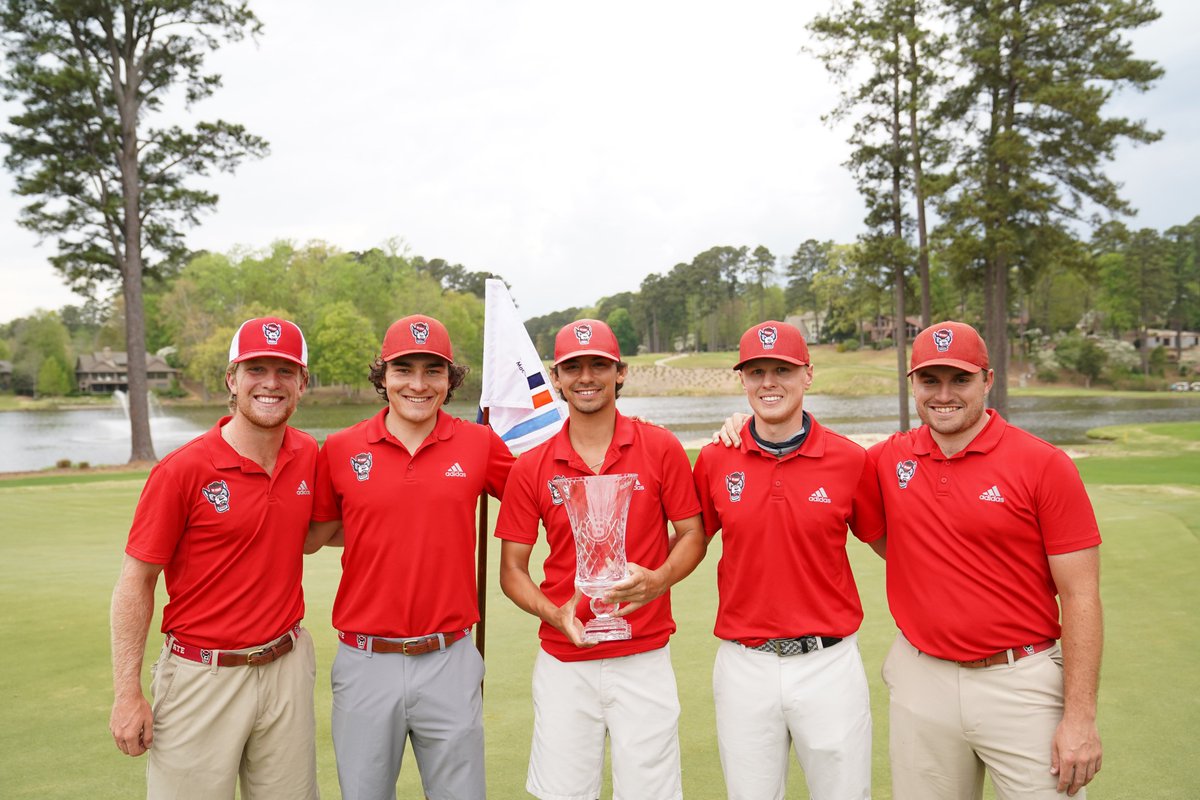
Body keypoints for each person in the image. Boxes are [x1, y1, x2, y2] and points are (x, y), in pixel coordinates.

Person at [869, 321, 1103, 799]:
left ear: (988, 380)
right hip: (922, 679)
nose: (944, 394)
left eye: (960, 379)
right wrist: (741, 425)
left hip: (1020, 681)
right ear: (912, 383)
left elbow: (1081, 597)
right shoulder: (887, 460)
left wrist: (1079, 718)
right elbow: (822, 464)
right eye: (929, 380)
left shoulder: (1043, 464)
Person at [495, 318, 706, 800]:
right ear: (556, 377)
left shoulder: (661, 447)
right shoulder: (532, 465)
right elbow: (511, 570)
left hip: (644, 653)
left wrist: (658, 580)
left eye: (599, 365)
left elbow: (692, 533)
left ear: (621, 372)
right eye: (574, 367)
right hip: (564, 659)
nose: (586, 377)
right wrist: (554, 611)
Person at [109, 317, 319, 799]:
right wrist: (127, 693)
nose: (270, 383)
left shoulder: (308, 453)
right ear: (232, 378)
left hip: (286, 667)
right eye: (256, 369)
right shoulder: (182, 470)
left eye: (285, 371)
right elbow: (135, 582)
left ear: (303, 383)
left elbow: (331, 530)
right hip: (202, 674)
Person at [306, 314, 514, 800]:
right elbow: (314, 535)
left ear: (450, 379)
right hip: (365, 660)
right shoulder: (340, 448)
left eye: (432, 370)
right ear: (383, 375)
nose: (418, 384)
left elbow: (545, 496)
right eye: (404, 369)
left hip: (451, 657)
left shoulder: (479, 442)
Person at [692, 321, 885, 800]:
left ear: (808, 375)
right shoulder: (717, 457)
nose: (769, 382)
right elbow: (686, 542)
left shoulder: (849, 459)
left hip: (829, 663)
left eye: (782, 369)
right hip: (744, 665)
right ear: (742, 380)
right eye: (756, 372)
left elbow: (891, 546)